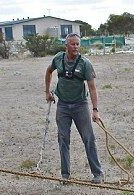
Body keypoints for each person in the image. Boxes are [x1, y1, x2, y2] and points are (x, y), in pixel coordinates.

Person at [45, 33, 104, 183]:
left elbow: (92, 88)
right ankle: (65, 175)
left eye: (78, 44)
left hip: (80, 105)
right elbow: (49, 71)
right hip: (63, 105)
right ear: (66, 46)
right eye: (73, 44)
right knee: (63, 139)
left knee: (88, 138)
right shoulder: (58, 58)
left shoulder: (85, 63)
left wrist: (95, 110)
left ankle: (98, 174)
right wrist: (47, 91)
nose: (76, 47)